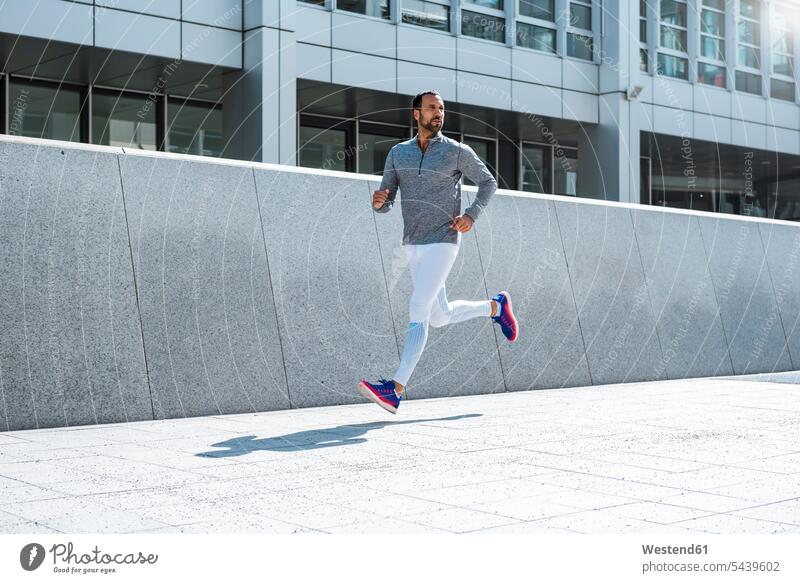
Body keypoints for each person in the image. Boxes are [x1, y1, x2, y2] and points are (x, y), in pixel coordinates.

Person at [358, 90, 518, 414]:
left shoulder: (456, 152)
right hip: (412, 242)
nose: (438, 113)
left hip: (444, 240)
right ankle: (495, 307)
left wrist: (471, 215)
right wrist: (379, 203)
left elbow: (488, 183)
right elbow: (387, 200)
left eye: (441, 109)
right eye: (431, 108)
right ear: (416, 114)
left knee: (418, 307)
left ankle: (396, 389)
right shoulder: (397, 153)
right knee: (439, 315)